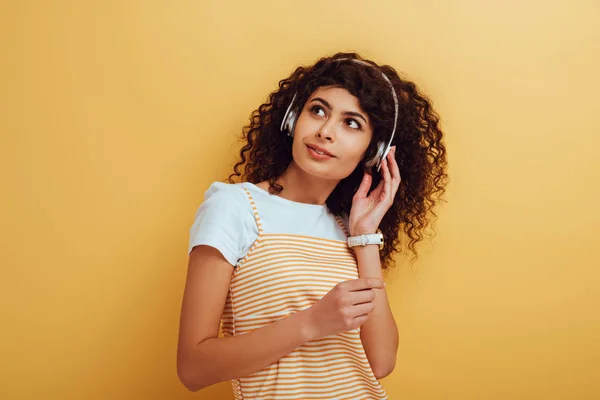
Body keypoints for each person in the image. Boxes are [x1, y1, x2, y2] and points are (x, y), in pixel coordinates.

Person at [176, 52, 448, 399]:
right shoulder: (235, 207)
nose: (325, 131)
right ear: (292, 119)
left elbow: (380, 363)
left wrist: (365, 237)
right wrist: (312, 323)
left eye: (352, 123)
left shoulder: (349, 227)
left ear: (375, 151)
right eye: (318, 110)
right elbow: (192, 368)